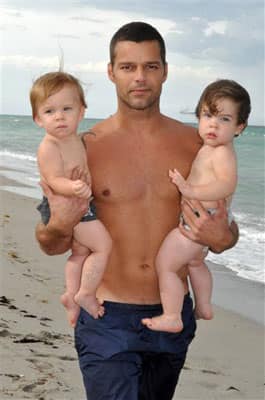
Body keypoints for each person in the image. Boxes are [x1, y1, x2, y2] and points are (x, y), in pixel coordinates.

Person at [35, 22, 239, 400]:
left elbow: (226, 228)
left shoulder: (197, 145)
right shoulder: (83, 148)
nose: (140, 77)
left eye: (151, 66)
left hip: (172, 316)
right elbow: (49, 242)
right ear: (111, 72)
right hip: (106, 315)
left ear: (165, 70)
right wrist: (60, 223)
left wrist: (222, 236)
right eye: (128, 67)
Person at [142, 79, 251, 333]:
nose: (213, 124)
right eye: (207, 115)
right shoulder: (209, 147)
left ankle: (172, 315)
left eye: (224, 119)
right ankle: (203, 305)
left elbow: (226, 184)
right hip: (202, 219)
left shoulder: (222, 152)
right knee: (195, 264)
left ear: (239, 127)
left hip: (200, 221)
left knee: (166, 264)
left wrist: (191, 190)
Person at [30, 71, 112, 327]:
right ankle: (86, 293)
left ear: (81, 111)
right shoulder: (49, 146)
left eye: (67, 108)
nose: (59, 116)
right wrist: (74, 187)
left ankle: (70, 294)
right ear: (37, 119)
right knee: (103, 246)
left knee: (80, 253)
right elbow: (53, 180)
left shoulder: (76, 139)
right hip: (67, 204)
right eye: (49, 111)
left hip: (79, 201)